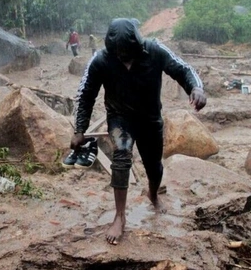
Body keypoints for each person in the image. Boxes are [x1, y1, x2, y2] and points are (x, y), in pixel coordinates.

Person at [70, 18, 207, 245]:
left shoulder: (154, 50)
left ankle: (153, 194)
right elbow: (85, 94)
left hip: (150, 118)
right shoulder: (101, 60)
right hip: (119, 119)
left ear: (138, 45)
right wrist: (79, 129)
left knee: (154, 167)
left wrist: (196, 88)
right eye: (119, 54)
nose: (124, 57)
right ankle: (120, 216)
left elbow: (183, 69)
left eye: (128, 52)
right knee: (121, 155)